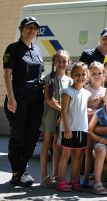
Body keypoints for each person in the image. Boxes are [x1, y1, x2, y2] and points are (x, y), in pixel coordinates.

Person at [3, 17, 45, 187]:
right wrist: (11, 98)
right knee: (18, 135)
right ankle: (17, 172)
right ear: (21, 29)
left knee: (33, 135)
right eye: (29, 27)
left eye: (35, 28)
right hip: (18, 93)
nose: (32, 30)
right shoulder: (13, 48)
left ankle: (21, 169)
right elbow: (7, 74)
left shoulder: (38, 50)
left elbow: (41, 73)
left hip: (36, 96)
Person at [39, 50, 72, 187]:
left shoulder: (70, 81)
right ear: (53, 62)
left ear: (68, 63)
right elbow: (48, 99)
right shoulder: (49, 77)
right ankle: (44, 176)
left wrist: (63, 115)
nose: (61, 63)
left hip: (62, 116)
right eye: (58, 60)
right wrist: (62, 111)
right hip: (50, 115)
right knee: (47, 142)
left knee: (57, 146)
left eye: (64, 61)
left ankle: (55, 176)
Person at [57, 62, 91, 192]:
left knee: (77, 155)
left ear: (87, 76)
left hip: (82, 129)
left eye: (83, 74)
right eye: (77, 74)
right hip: (69, 129)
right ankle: (61, 181)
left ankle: (72, 180)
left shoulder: (86, 93)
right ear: (71, 75)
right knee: (66, 155)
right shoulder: (67, 91)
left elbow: (82, 108)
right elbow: (64, 110)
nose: (80, 77)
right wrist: (66, 128)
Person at [79, 61, 106, 188]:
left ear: (104, 75)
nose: (97, 76)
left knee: (98, 152)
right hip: (86, 125)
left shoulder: (106, 91)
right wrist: (96, 109)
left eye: (99, 73)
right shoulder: (85, 89)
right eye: (94, 73)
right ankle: (84, 177)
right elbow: (81, 109)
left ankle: (97, 174)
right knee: (87, 152)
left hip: (100, 127)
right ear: (89, 75)